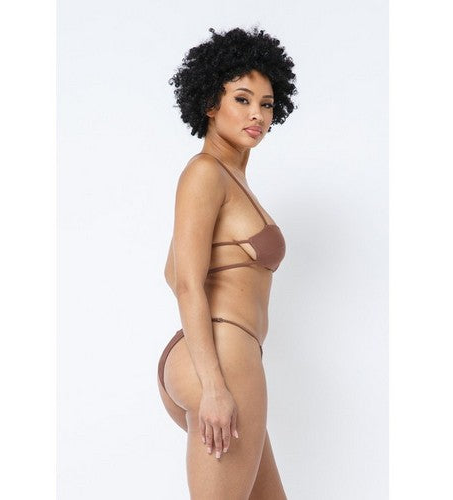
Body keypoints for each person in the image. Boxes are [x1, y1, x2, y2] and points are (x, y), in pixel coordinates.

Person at [157, 26, 298, 499]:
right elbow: (187, 284)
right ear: (209, 103)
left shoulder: (231, 180)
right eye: (242, 99)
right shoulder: (205, 172)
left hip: (221, 355)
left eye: (267, 104)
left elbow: (173, 269)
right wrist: (214, 387)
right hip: (223, 359)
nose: (257, 114)